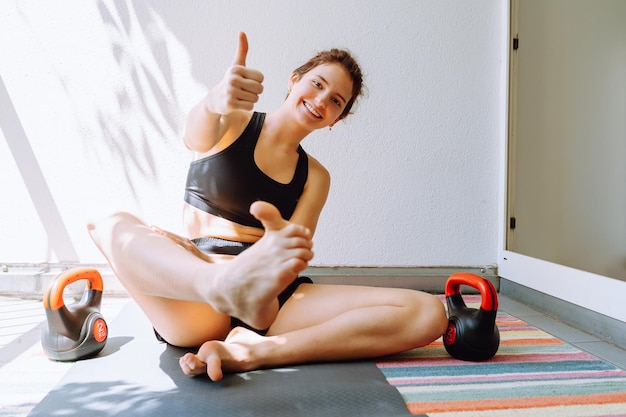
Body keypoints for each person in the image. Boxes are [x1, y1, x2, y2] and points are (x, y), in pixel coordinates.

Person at [88, 32, 448, 382]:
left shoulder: (316, 176)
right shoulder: (232, 120)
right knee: (107, 223)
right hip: (201, 291)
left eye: (337, 101)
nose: (323, 100)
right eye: (318, 84)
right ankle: (221, 284)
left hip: (269, 302)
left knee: (428, 312)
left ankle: (252, 352)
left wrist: (270, 272)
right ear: (294, 81)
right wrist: (215, 100)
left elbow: (289, 258)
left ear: (337, 120)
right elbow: (193, 136)